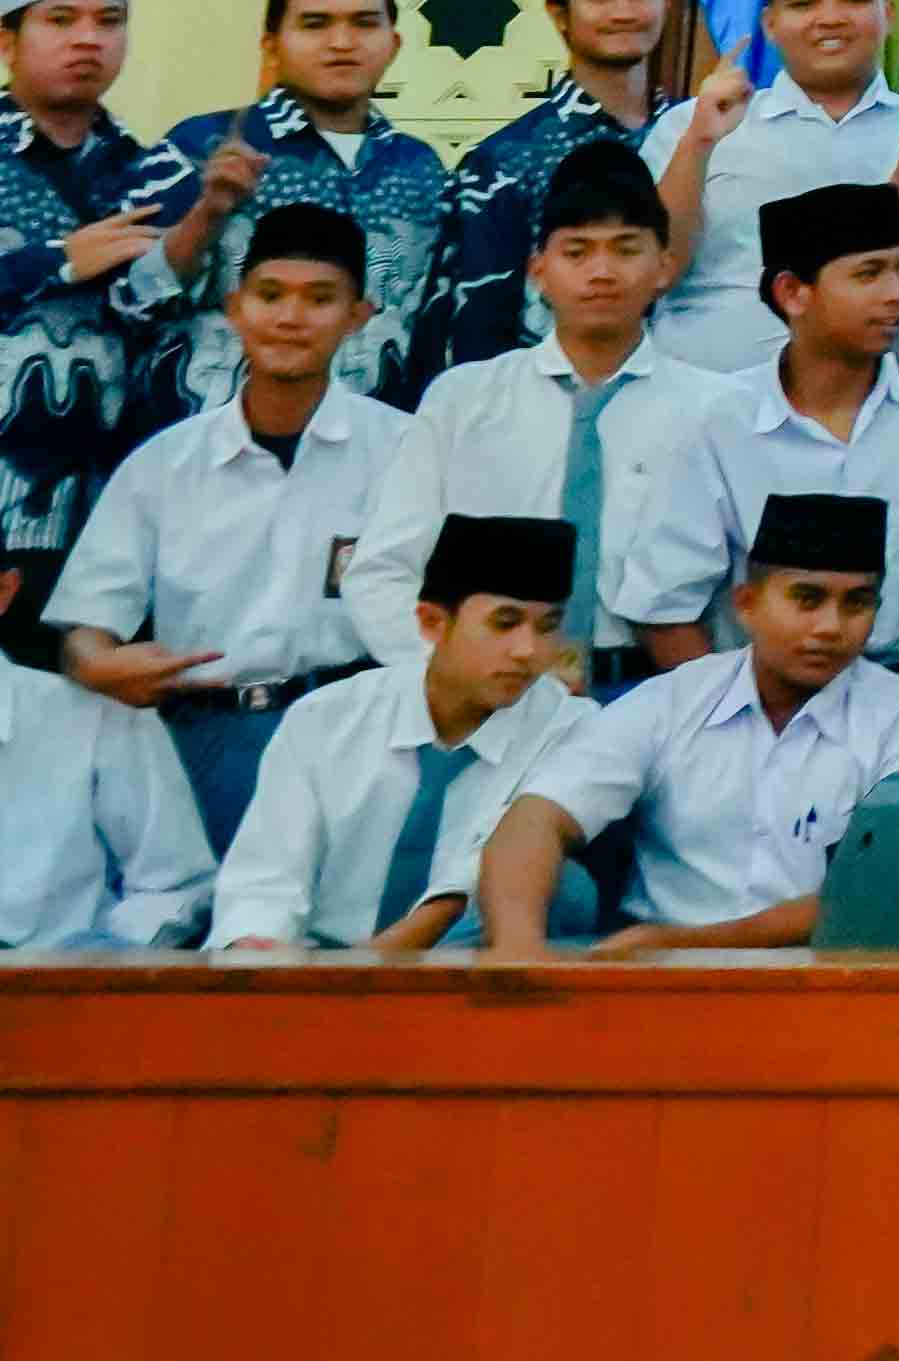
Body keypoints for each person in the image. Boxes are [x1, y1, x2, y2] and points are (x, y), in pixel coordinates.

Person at [55, 197, 407, 838]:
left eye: (320, 299)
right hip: (198, 738)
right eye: (270, 295)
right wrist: (98, 664)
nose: (290, 318)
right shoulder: (164, 465)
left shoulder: (407, 453)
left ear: (359, 316)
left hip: (357, 732)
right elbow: (88, 627)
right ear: (234, 306)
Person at [476, 490, 899, 954]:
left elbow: (889, 889)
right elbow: (537, 818)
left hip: (827, 978)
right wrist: (518, 951)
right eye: (808, 599)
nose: (831, 626)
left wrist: (683, 945)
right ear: (746, 604)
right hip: (651, 977)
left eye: (857, 603)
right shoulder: (671, 701)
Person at [346, 138, 723, 689]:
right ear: (538, 271)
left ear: (664, 266)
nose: (601, 272)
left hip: (654, 691)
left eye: (625, 250)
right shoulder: (464, 400)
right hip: (487, 693)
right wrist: (451, 678)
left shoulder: (715, 410)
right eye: (577, 252)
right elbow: (382, 571)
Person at [619, 182, 899, 711]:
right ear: (793, 293)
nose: (896, 293)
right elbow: (664, 610)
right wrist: (741, 725)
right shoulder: (719, 424)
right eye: (869, 274)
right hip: (778, 706)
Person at [205, 511, 590, 951]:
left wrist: (371, 967)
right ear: (431, 622)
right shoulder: (326, 718)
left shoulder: (572, 730)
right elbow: (265, 879)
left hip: (473, 966)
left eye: (548, 627)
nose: (528, 650)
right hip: (316, 962)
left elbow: (478, 876)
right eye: (504, 623)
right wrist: (257, 951)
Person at [154, 0, 445, 410]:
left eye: (364, 23)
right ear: (272, 45)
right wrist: (207, 215)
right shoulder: (200, 147)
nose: (342, 43)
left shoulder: (420, 168)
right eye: (315, 24)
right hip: (219, 434)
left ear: (394, 43)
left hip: (378, 439)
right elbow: (132, 298)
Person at [645, 0, 899, 378]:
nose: (830, 18)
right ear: (770, 23)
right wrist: (700, 142)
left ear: (888, 12)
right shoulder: (693, 125)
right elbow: (656, 271)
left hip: (874, 404)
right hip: (707, 395)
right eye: (804, 3)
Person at [421, 0, 675, 387]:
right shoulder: (505, 160)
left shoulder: (699, 135)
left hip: (686, 400)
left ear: (667, 3)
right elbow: (476, 319)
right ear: (559, 15)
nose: (624, 12)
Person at [2, 0, 180, 591]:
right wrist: (55, 261)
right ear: (7, 41)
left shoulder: (152, 171)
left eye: (109, 21)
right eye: (61, 19)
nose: (88, 38)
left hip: (104, 505)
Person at [0, 591, 209, 952]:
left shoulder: (98, 715)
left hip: (58, 972)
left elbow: (174, 887)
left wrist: (96, 957)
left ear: (4, 589)